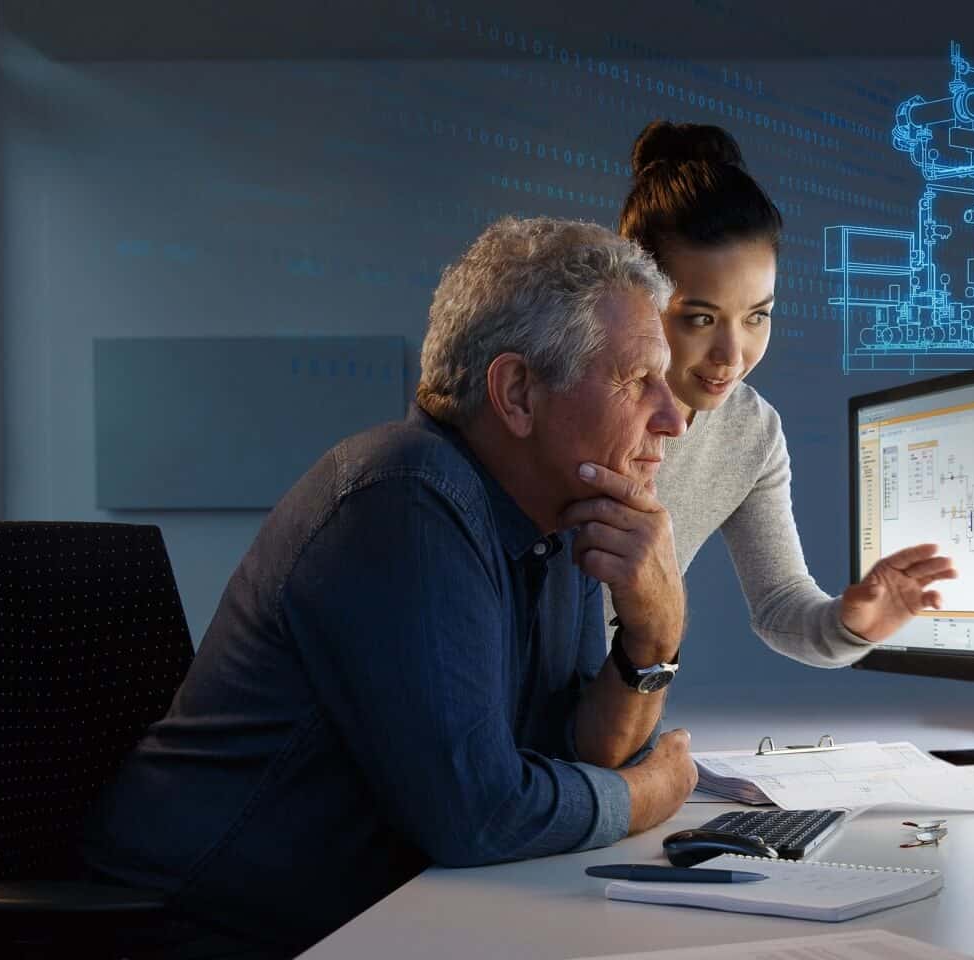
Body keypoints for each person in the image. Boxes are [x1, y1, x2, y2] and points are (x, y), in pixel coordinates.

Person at [81, 217, 701, 957]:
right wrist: (652, 795)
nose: (675, 420)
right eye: (639, 381)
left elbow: (576, 757)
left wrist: (653, 635)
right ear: (518, 394)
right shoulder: (404, 500)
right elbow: (482, 813)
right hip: (198, 932)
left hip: (363, 920)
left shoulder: (559, 519)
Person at [611, 121, 958, 667]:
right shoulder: (578, 408)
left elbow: (779, 604)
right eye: (700, 318)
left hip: (624, 698)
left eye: (757, 317)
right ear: (636, 297)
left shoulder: (751, 431)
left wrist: (853, 622)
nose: (732, 355)